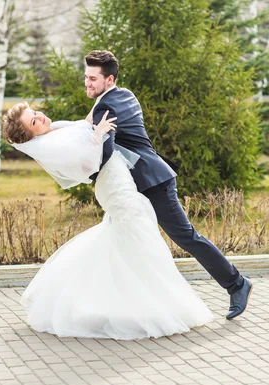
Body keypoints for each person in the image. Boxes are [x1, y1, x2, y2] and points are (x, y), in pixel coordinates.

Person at [1, 103, 213, 340]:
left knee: (128, 243)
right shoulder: (52, 144)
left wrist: (103, 99)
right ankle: (156, 310)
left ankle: (132, 307)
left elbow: (84, 125)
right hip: (115, 187)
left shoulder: (55, 131)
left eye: (35, 113)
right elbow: (87, 166)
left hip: (118, 181)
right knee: (140, 242)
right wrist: (100, 134)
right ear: (31, 136)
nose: (40, 117)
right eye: (33, 122)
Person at [83, 50, 252, 320]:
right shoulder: (124, 94)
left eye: (93, 78)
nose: (88, 83)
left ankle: (237, 284)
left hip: (152, 182)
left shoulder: (107, 106)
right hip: (136, 184)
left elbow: (105, 151)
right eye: (86, 77)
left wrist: (85, 171)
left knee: (185, 236)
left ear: (109, 79)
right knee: (119, 241)